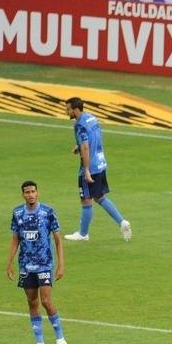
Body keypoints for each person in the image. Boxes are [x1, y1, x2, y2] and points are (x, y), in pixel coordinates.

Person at [6, 181, 67, 344]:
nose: (31, 194)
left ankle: (60, 339)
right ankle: (40, 343)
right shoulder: (18, 213)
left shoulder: (48, 212)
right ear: (23, 195)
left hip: (45, 264)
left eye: (33, 191)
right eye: (27, 192)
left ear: (38, 192)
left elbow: (58, 240)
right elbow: (15, 239)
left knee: (46, 301)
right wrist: (9, 262)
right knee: (32, 302)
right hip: (26, 265)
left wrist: (61, 264)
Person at [63, 97, 131, 242]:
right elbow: (95, 137)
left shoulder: (79, 125)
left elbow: (86, 146)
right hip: (100, 163)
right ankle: (122, 222)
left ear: (76, 109)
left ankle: (83, 234)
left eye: (68, 109)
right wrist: (79, 147)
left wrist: (86, 169)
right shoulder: (92, 118)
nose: (66, 111)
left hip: (90, 167)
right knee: (100, 197)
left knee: (86, 201)